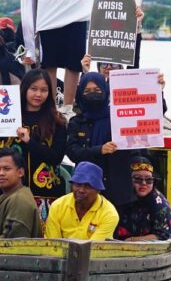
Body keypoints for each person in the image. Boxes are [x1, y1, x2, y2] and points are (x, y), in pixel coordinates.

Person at [66, 73, 135, 207]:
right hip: (86, 190)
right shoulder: (76, 122)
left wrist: (158, 89)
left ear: (105, 91)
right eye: (87, 91)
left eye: (97, 91)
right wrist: (99, 150)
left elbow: (147, 115)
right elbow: (72, 152)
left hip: (117, 189)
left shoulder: (120, 117)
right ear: (80, 94)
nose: (93, 94)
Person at [14, 69, 67, 197]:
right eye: (33, 89)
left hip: (46, 192)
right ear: (25, 89)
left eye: (44, 90)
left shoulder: (56, 121)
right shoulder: (11, 117)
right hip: (13, 191)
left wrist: (29, 142)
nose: (38, 94)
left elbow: (56, 157)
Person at [44, 161, 118, 240]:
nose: (81, 190)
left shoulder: (109, 214)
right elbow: (53, 243)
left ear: (98, 190)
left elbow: (94, 248)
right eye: (78, 184)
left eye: (88, 186)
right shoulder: (57, 206)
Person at [114, 155, 171, 241]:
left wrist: (132, 241)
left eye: (149, 180)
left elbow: (163, 236)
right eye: (138, 179)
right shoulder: (117, 196)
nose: (143, 183)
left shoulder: (159, 204)